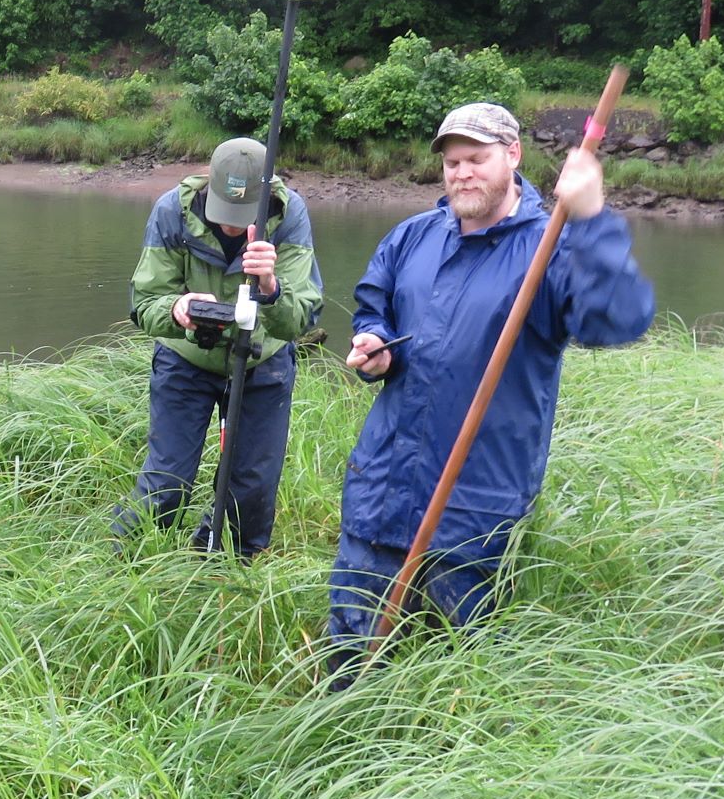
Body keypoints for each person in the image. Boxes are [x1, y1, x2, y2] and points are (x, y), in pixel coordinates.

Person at [323, 102, 656, 690]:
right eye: (452, 162)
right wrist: (375, 344)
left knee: (463, 677)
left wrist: (593, 217)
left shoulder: (550, 248)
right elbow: (374, 303)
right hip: (383, 490)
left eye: (476, 159)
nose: (461, 173)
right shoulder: (412, 238)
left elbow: (619, 321)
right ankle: (342, 748)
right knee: (351, 661)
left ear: (513, 157)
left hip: (476, 509)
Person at [115, 137, 324, 556]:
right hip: (186, 360)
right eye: (224, 214)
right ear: (207, 185)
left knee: (251, 488)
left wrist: (271, 287)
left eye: (243, 217)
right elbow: (144, 303)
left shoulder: (290, 215)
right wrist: (177, 309)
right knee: (168, 481)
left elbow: (301, 317)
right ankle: (124, 561)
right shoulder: (171, 210)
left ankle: (222, 568)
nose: (231, 226)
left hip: (263, 363)